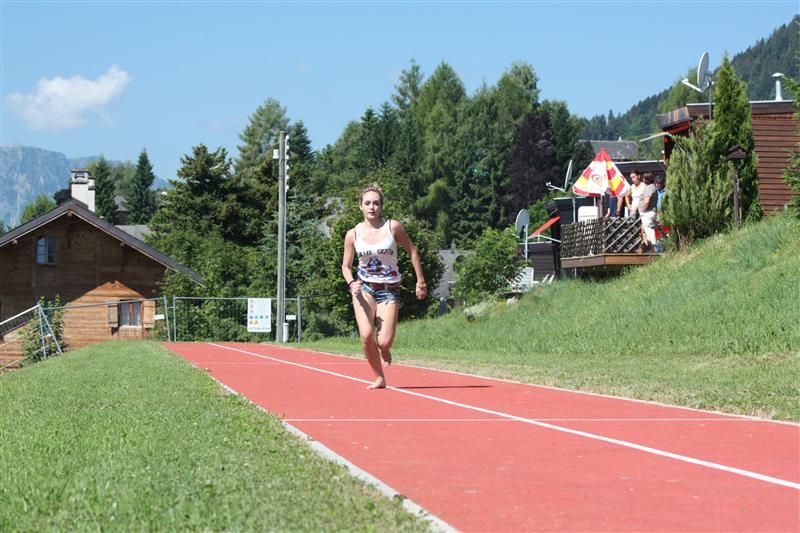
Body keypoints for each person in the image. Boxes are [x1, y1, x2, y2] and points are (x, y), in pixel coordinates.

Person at [341, 185, 427, 389]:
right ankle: (379, 377)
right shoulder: (352, 234)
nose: (372, 207)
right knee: (365, 335)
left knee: (384, 342)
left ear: (381, 206)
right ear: (360, 206)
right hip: (364, 289)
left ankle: (384, 348)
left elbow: (412, 251)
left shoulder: (392, 227)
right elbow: (345, 266)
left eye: (376, 203)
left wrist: (420, 281)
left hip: (389, 290)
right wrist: (352, 283)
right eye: (368, 203)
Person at [639, 172, 658, 252]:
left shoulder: (649, 187)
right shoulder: (652, 187)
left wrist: (642, 210)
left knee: (649, 229)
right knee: (644, 229)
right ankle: (648, 247)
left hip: (647, 212)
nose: (642, 180)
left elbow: (646, 201)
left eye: (643, 178)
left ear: (646, 179)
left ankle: (653, 248)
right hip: (649, 212)